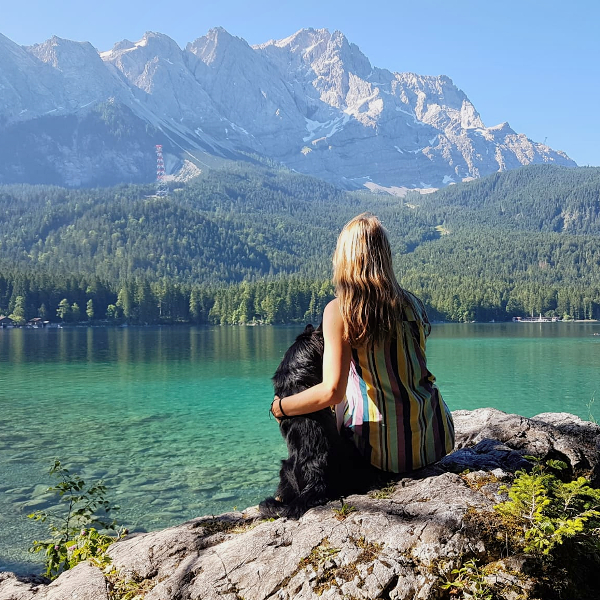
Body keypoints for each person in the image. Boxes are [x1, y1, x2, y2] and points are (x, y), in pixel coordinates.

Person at [270, 213, 454, 474]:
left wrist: (281, 407)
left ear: (345, 259)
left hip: (380, 454)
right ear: (385, 256)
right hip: (434, 439)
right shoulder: (413, 303)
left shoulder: (340, 311)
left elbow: (332, 392)